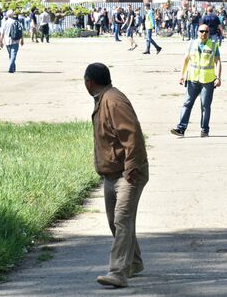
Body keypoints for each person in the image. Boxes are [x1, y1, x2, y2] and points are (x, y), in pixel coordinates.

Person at [84, 63, 149, 288]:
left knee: (122, 219)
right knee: (116, 222)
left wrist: (131, 167)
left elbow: (133, 136)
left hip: (128, 173)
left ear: (89, 82)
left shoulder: (113, 101)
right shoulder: (103, 99)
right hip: (111, 173)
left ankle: (118, 271)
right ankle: (134, 262)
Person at [170, 24, 222, 137]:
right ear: (197, 32)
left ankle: (204, 130)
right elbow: (185, 60)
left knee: (205, 106)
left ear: (209, 33)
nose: (204, 34)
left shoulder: (213, 45)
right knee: (187, 103)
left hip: (207, 80)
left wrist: (218, 77)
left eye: (206, 32)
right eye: (201, 31)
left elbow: (218, 62)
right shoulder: (191, 44)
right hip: (193, 79)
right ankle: (181, 128)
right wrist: (182, 75)